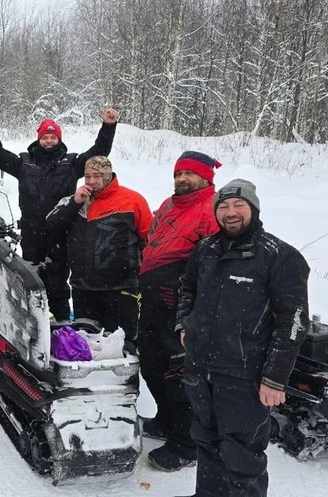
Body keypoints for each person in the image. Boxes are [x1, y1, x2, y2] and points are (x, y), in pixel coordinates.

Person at [176, 179, 310, 497]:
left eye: (239, 205)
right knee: (206, 440)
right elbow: (187, 288)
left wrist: (274, 379)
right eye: (223, 206)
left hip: (244, 376)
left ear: (254, 209)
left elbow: (293, 323)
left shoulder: (278, 256)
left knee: (242, 454)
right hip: (200, 369)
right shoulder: (206, 250)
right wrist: (184, 324)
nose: (230, 212)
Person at [0, 108, 119, 320]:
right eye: (45, 137)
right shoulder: (23, 162)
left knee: (57, 281)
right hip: (31, 232)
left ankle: (61, 322)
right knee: (30, 279)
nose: (49, 141)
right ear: (38, 139)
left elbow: (99, 152)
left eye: (53, 137)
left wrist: (108, 126)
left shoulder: (72, 163)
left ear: (59, 139)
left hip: (61, 231)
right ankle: (33, 322)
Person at [136, 151, 221, 471]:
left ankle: (187, 444)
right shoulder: (169, 205)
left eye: (189, 174)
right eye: (178, 174)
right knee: (151, 364)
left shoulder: (213, 210)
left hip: (184, 306)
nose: (182, 179)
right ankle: (167, 420)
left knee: (180, 374)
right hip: (154, 300)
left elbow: (215, 266)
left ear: (206, 178)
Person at [45, 156, 152, 340]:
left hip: (120, 289)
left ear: (108, 176)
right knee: (88, 344)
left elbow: (150, 240)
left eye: (97, 176)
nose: (92, 181)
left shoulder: (132, 200)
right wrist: (75, 203)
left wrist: (146, 278)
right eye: (87, 176)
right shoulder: (74, 200)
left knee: (122, 344)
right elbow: (50, 226)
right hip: (83, 288)